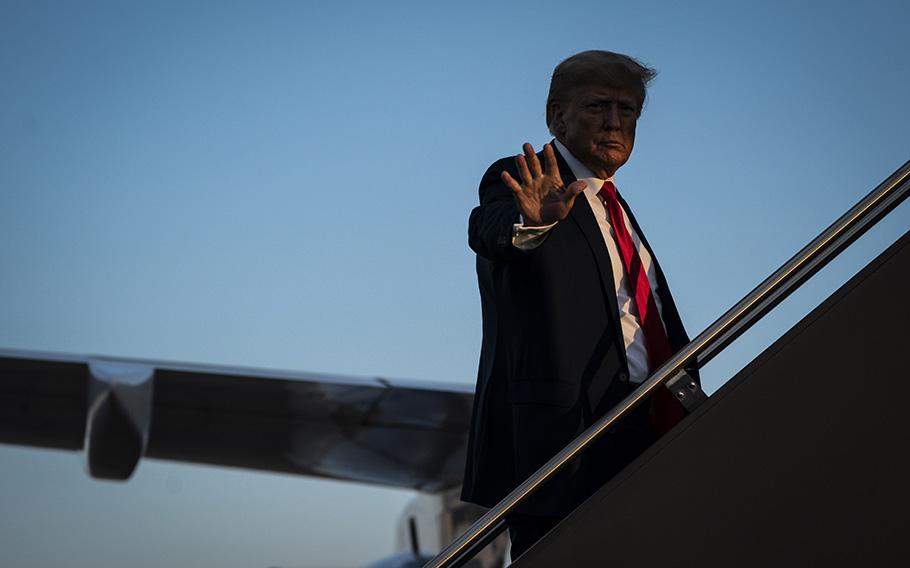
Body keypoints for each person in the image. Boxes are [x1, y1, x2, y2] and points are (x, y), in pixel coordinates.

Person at [460, 50, 698, 560]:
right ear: (556, 116)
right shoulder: (521, 179)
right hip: (564, 444)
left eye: (628, 110)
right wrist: (534, 224)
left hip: (646, 425)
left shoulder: (618, 208)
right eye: (598, 107)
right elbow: (494, 231)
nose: (615, 122)